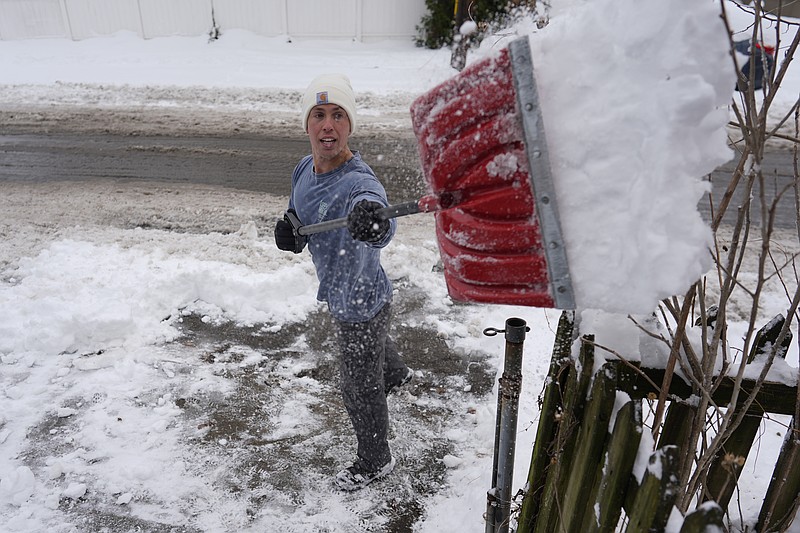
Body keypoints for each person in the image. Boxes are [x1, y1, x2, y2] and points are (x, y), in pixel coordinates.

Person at [274, 73, 413, 491]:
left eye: (338, 115)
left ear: (349, 125)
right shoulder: (304, 167)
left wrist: (372, 223)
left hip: (359, 302)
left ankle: (375, 459)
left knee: (357, 385)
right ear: (307, 125)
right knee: (374, 352)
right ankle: (397, 373)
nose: (327, 125)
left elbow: (377, 216)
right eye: (319, 115)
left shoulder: (359, 182)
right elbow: (299, 212)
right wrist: (289, 228)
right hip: (350, 288)